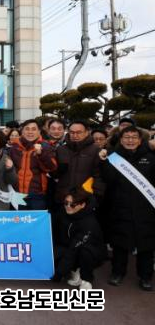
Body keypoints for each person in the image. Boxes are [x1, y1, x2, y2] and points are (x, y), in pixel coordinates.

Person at [99, 126, 155, 291]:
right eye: (127, 137)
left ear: (140, 140)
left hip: (146, 209)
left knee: (146, 245)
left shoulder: (151, 158)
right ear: (121, 140)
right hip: (119, 207)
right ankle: (117, 273)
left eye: (134, 137)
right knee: (120, 244)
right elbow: (107, 179)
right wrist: (104, 161)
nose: (130, 140)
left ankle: (145, 277)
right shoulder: (112, 157)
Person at [52, 189, 107, 290]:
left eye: (73, 204)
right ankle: (74, 270)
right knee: (55, 251)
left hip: (91, 251)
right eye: (66, 203)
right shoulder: (62, 212)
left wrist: (59, 272)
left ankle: (86, 279)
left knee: (85, 252)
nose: (68, 206)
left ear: (82, 205)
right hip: (69, 246)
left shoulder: (89, 223)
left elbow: (74, 248)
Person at [8, 119, 58, 210]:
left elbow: (52, 167)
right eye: (27, 129)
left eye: (34, 129)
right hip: (17, 193)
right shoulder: (14, 147)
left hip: (37, 195)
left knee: (35, 219)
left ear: (39, 131)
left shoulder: (46, 146)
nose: (30, 132)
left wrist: (41, 154)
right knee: (18, 218)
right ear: (22, 131)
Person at [53, 120, 105, 206]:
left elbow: (99, 176)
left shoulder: (96, 150)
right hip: (63, 198)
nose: (75, 135)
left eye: (79, 132)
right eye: (72, 132)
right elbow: (55, 175)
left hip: (86, 198)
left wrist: (95, 196)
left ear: (87, 133)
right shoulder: (61, 150)